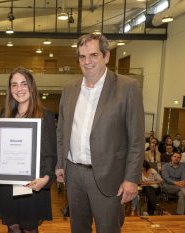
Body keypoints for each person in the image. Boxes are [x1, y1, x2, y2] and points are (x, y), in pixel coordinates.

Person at [55, 33, 144, 233]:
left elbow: (137, 140)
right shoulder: (69, 89)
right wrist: (60, 163)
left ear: (106, 56)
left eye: (93, 55)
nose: (87, 61)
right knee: (78, 229)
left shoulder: (128, 87)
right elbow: (62, 130)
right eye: (82, 56)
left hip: (109, 176)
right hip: (74, 174)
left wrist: (131, 179)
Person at [0, 67, 57, 233]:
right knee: (12, 228)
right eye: (14, 85)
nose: (19, 89)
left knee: (29, 228)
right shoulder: (4, 114)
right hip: (8, 184)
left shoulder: (45, 116)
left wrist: (46, 178)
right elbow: (0, 151)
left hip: (32, 184)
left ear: (31, 87)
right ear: (10, 89)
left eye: (24, 84)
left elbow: (50, 153)